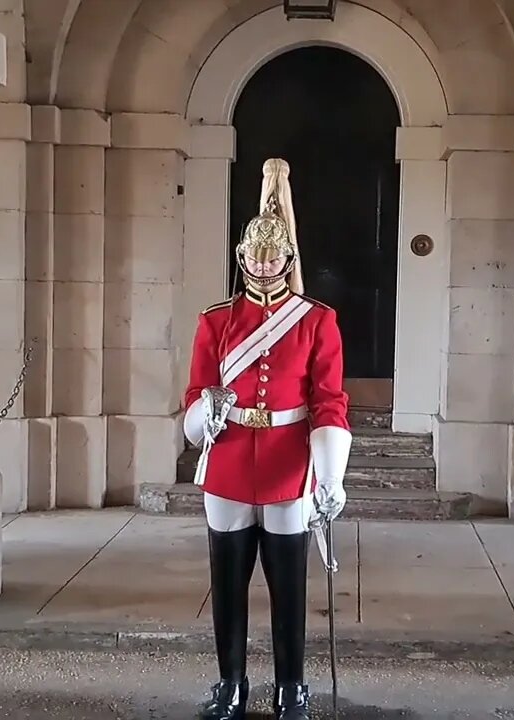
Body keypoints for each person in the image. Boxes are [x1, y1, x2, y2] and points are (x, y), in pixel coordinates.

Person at [183, 159, 353, 720]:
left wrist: (330, 474)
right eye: (253, 255)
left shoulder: (316, 321)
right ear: (242, 257)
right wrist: (202, 418)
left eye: (272, 255)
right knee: (227, 586)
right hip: (230, 460)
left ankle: (291, 687)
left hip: (288, 464)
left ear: (288, 258)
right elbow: (195, 394)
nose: (262, 264)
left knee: (289, 587)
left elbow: (329, 401)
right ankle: (230, 683)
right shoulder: (215, 321)